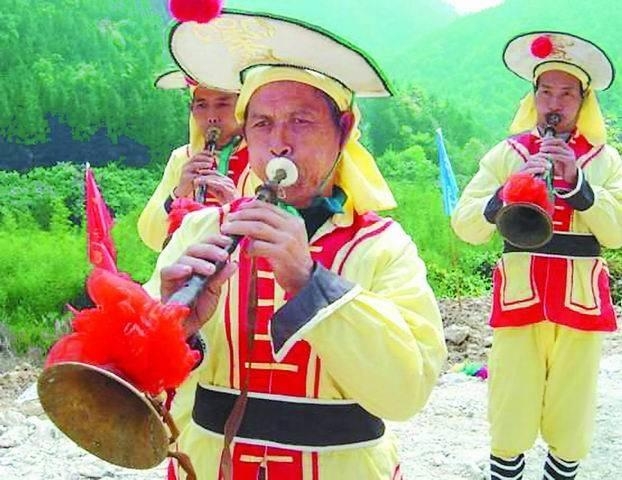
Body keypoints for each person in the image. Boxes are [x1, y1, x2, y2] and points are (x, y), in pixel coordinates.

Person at [143, 11, 446, 480]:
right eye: (262, 123)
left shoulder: (383, 247)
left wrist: (311, 283)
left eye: (301, 121)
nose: (279, 144)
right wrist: (174, 327)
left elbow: (407, 392)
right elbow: (141, 381)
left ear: (344, 129)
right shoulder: (200, 231)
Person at [452, 31, 622, 480]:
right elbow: (465, 224)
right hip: (520, 300)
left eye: (566, 94)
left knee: (572, 411)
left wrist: (578, 184)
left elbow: (618, 232)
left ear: (583, 102)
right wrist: (507, 192)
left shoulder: (606, 160)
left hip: (580, 303)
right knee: (510, 406)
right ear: (533, 97)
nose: (554, 103)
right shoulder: (507, 155)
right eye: (546, 91)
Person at [138, 70, 247, 251]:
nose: (211, 117)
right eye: (201, 105)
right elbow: (152, 237)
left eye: (222, 104)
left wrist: (235, 204)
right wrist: (178, 193)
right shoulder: (182, 158)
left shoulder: (262, 159)